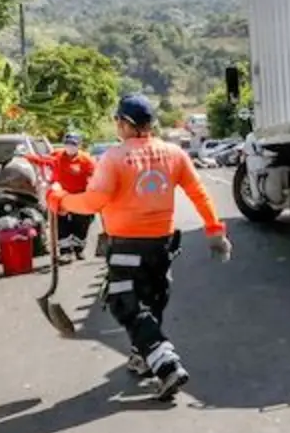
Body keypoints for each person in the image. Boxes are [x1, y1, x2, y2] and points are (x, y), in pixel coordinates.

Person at [46, 95, 232, 400]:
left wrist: (60, 199)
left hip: (126, 244)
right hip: (162, 243)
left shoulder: (115, 158)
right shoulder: (173, 153)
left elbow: (94, 202)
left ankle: (165, 362)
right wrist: (214, 231)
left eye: (118, 121)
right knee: (153, 297)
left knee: (125, 303)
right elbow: (198, 192)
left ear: (126, 124)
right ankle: (142, 354)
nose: (116, 126)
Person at [26, 132, 97, 260]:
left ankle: (79, 249)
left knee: (81, 222)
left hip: (79, 196)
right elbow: (43, 160)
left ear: (79, 145)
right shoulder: (57, 155)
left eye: (73, 144)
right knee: (61, 222)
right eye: (68, 144)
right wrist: (27, 157)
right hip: (61, 196)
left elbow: (94, 176)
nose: (70, 147)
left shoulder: (86, 159)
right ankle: (65, 251)